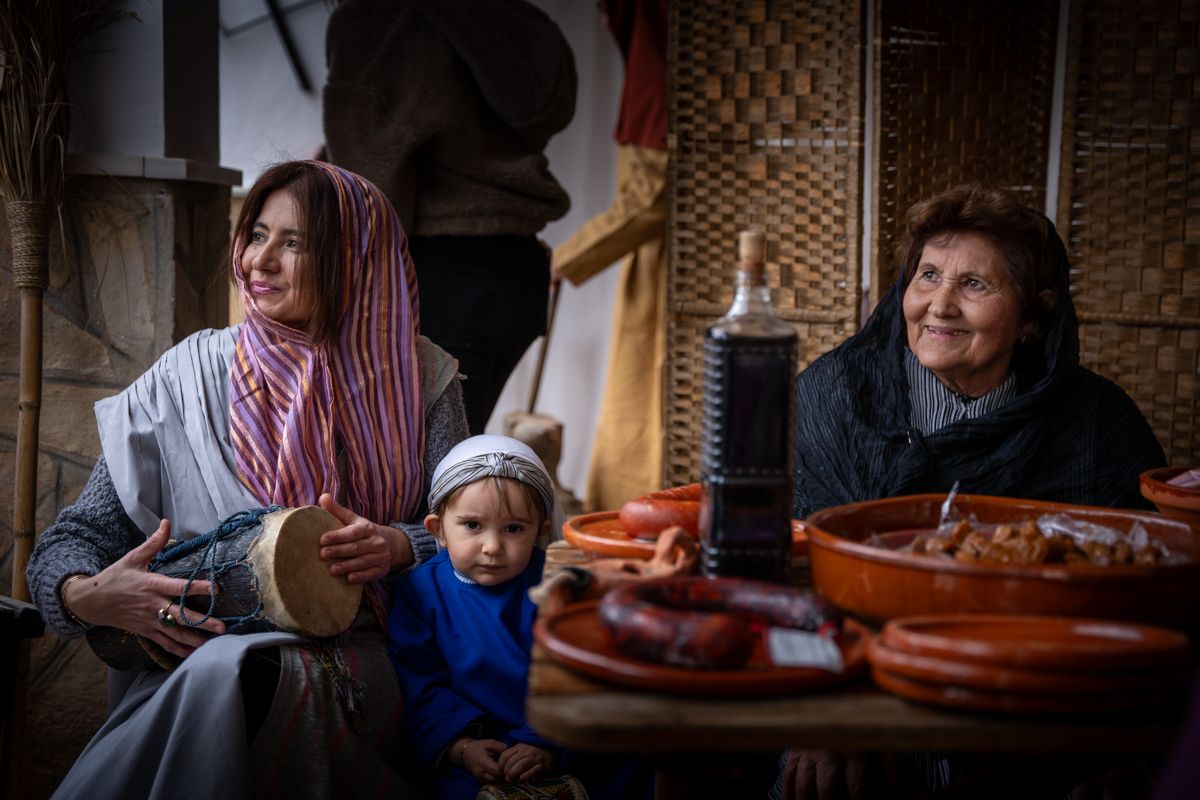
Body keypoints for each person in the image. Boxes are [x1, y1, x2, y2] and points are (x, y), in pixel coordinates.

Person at [26, 160, 469, 799]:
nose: (260, 261)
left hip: (381, 659)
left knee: (253, 681)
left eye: (295, 242)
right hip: (206, 657)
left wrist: (405, 546)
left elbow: (486, 540)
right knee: (232, 677)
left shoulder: (420, 378)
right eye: (257, 234)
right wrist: (83, 595)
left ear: (357, 258)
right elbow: (74, 539)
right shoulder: (188, 376)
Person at [775, 183, 1167, 799]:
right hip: (854, 700)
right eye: (927, 275)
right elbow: (786, 578)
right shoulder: (833, 399)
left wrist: (1118, 744)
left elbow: (1145, 604)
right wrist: (823, 718)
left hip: (1037, 718)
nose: (940, 306)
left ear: (1034, 316)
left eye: (975, 285)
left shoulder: (1097, 425)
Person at [323, 0, 576, 434]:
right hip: (516, 268)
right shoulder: (521, 19)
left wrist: (350, 296)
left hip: (435, 277)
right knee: (450, 455)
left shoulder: (375, 16)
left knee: (411, 471)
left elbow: (369, 180)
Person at [389, 434, 650, 800]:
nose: (492, 547)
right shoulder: (419, 592)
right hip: (477, 742)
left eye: (513, 529)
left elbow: (581, 673)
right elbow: (422, 682)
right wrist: (461, 748)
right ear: (438, 529)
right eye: (472, 526)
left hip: (558, 735)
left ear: (540, 531)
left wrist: (545, 743)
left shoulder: (558, 584)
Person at [552, 0, 669, 512]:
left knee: (649, 401)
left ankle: (642, 518)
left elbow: (653, 193)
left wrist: (566, 259)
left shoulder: (659, 46)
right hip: (659, 261)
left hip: (676, 269)